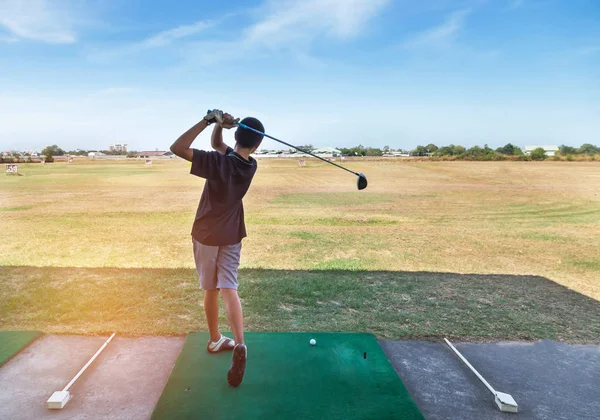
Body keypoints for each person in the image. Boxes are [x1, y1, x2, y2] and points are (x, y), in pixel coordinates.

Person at [170, 109, 264, 387]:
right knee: (229, 287)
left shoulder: (217, 163)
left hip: (206, 235)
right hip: (233, 233)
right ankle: (239, 343)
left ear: (237, 135)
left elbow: (177, 148)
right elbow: (217, 145)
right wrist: (221, 127)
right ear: (257, 145)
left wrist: (208, 121)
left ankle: (214, 340)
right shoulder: (250, 165)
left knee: (210, 288)